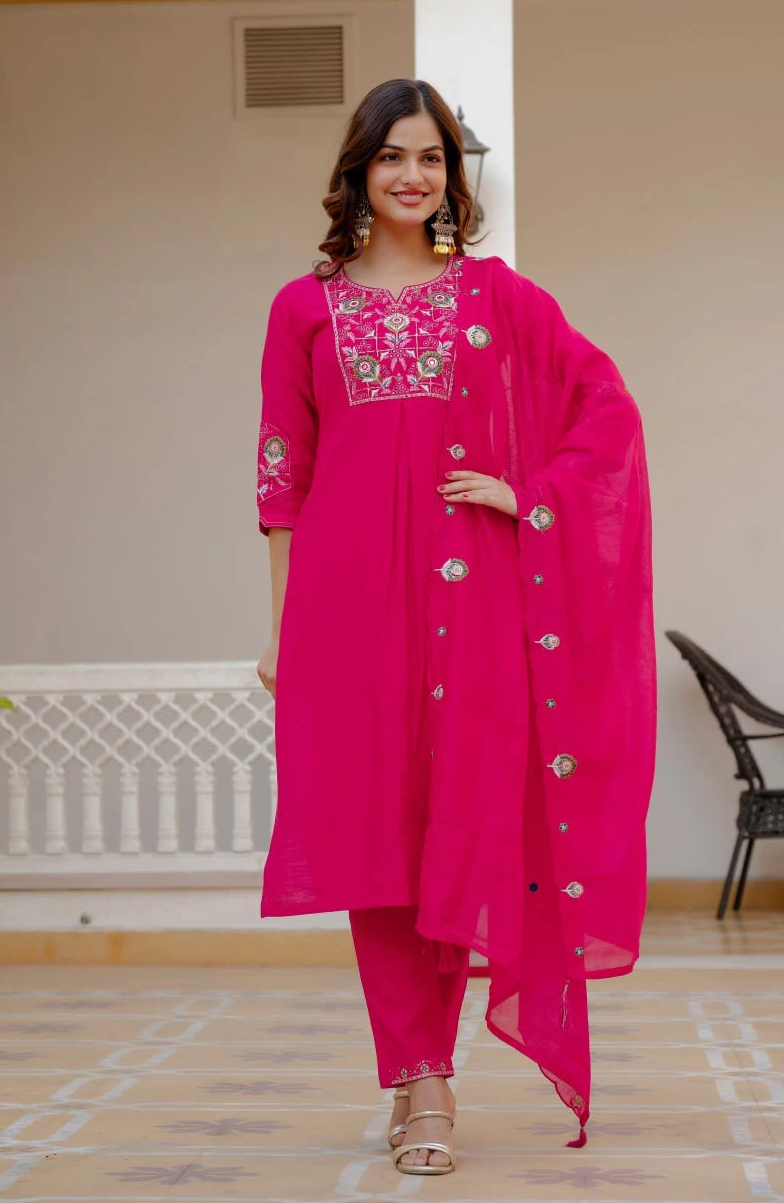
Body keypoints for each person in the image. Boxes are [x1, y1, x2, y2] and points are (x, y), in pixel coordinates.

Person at [254, 77, 656, 1176]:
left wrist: (526, 493)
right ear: (358, 173)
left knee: (458, 825)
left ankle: (429, 1072)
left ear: (451, 177)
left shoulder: (496, 297)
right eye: (391, 157)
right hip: (342, 607)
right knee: (371, 841)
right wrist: (280, 629)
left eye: (430, 158)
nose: (411, 176)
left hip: (467, 602)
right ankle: (417, 1078)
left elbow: (603, 408)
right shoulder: (302, 307)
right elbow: (280, 479)